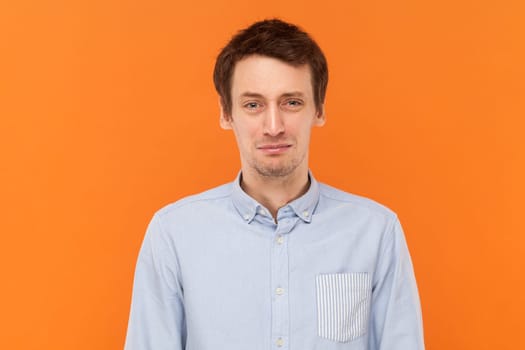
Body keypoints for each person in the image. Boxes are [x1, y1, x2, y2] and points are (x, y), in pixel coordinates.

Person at [124, 19, 425, 350]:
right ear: (226, 114)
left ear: (319, 109)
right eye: (253, 105)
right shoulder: (173, 235)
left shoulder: (375, 232)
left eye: (291, 102)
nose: (273, 126)